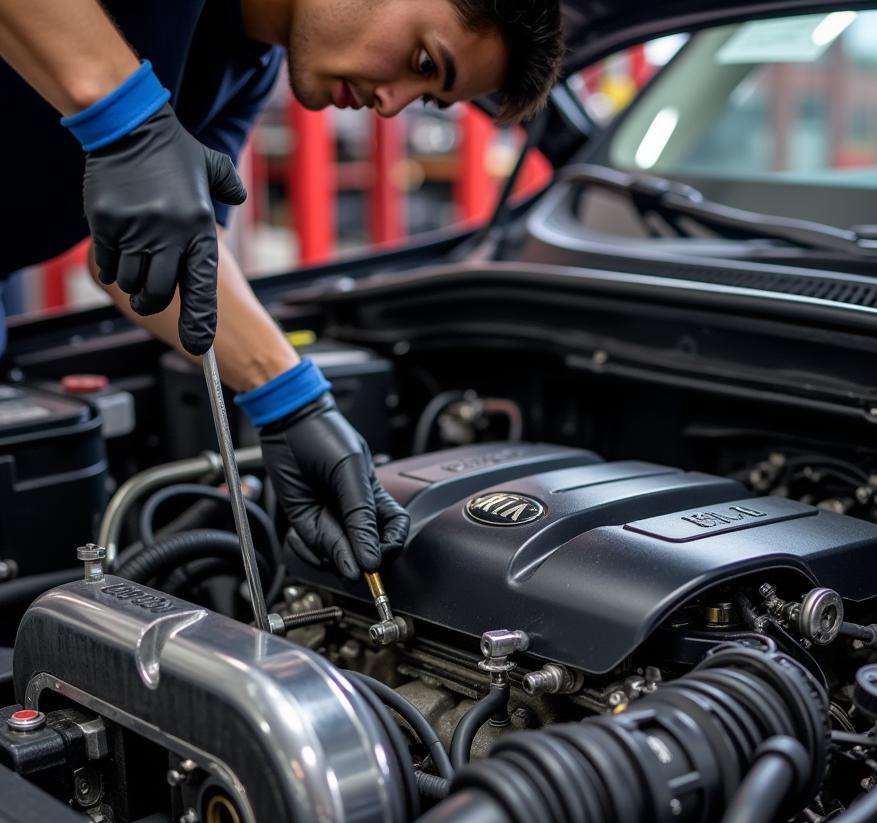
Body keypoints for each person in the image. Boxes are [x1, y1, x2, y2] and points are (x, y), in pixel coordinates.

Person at [0, 0, 564, 581]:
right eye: (423, 60)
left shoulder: (247, 72)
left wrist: (292, 399)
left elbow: (157, 253)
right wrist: (131, 125)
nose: (391, 104)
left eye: (425, 98)